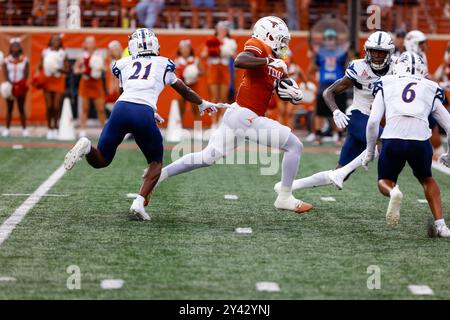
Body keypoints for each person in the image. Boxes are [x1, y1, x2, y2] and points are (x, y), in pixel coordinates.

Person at [157, 16, 313, 214]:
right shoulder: (259, 46)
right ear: (268, 36)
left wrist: (294, 94)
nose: (284, 45)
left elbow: (280, 87)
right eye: (281, 39)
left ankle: (161, 174)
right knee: (294, 145)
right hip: (246, 116)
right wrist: (269, 60)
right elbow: (240, 61)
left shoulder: (278, 61)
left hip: (239, 116)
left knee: (208, 156)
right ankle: (284, 197)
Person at [64, 28, 223, 221]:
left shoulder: (123, 64)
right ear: (155, 44)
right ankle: (138, 202)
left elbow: (129, 92)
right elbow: (185, 90)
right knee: (156, 162)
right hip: (143, 112)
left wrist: (151, 112)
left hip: (121, 109)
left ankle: (88, 147)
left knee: (102, 159)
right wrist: (203, 103)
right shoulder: (164, 64)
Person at [274, 31, 395, 193]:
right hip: (360, 117)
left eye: (382, 52)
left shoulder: (397, 67)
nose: (378, 56)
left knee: (340, 171)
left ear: (389, 53)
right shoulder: (359, 67)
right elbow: (328, 92)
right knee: (387, 140)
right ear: (368, 51)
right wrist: (336, 111)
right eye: (374, 51)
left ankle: (291, 186)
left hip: (378, 118)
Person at [362, 51, 450, 237]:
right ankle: (441, 226)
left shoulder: (386, 82)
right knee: (427, 179)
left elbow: (373, 122)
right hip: (420, 141)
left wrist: (370, 150)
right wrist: (448, 154)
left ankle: (393, 191)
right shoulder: (430, 86)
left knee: (384, 180)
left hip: (393, 138)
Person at [308, 28, 348, 145]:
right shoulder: (320, 52)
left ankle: (339, 136)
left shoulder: (342, 52)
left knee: (339, 111)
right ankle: (318, 136)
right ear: (325, 40)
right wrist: (317, 82)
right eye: (328, 39)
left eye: (332, 39)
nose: (330, 41)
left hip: (338, 86)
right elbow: (312, 69)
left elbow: (348, 68)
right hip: (324, 85)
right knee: (320, 113)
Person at [202, 21, 237, 129]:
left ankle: (221, 121)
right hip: (214, 67)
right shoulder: (211, 40)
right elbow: (203, 55)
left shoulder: (230, 41)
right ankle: (213, 122)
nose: (222, 31)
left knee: (223, 97)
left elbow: (235, 56)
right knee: (214, 97)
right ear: (216, 30)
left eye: (224, 29)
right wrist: (212, 51)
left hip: (225, 68)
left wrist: (229, 53)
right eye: (220, 28)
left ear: (227, 31)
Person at [73, 36, 106, 138]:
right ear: (85, 44)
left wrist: (98, 68)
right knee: (84, 108)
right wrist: (82, 70)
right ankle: (83, 130)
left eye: (92, 42)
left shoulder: (100, 55)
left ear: (95, 44)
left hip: (97, 83)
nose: (90, 44)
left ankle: (103, 130)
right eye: (88, 42)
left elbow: (105, 68)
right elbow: (75, 70)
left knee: (100, 109)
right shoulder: (81, 56)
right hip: (86, 83)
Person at [40, 34, 69, 139]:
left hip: (58, 80)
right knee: (49, 106)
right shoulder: (45, 52)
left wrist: (57, 68)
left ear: (60, 42)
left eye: (57, 40)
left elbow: (67, 69)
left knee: (56, 106)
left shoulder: (63, 53)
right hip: (48, 79)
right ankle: (49, 128)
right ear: (50, 41)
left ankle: (56, 127)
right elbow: (40, 66)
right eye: (53, 40)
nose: (55, 42)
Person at [174, 39, 204, 138]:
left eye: (186, 48)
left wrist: (194, 72)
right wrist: (182, 73)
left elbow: (202, 71)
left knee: (196, 109)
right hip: (181, 88)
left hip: (193, 87)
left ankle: (198, 131)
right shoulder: (177, 61)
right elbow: (174, 75)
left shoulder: (195, 59)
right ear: (180, 50)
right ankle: (180, 131)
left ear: (190, 49)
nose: (185, 50)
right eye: (183, 48)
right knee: (180, 110)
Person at [1, 38, 29, 137]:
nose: (15, 48)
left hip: (20, 85)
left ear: (20, 47)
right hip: (10, 86)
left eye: (17, 46)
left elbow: (26, 74)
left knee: (21, 108)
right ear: (11, 48)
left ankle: (24, 129)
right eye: (14, 46)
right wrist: (11, 85)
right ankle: (7, 129)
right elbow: (5, 74)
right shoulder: (6, 60)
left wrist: (19, 84)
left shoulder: (25, 60)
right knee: (9, 108)